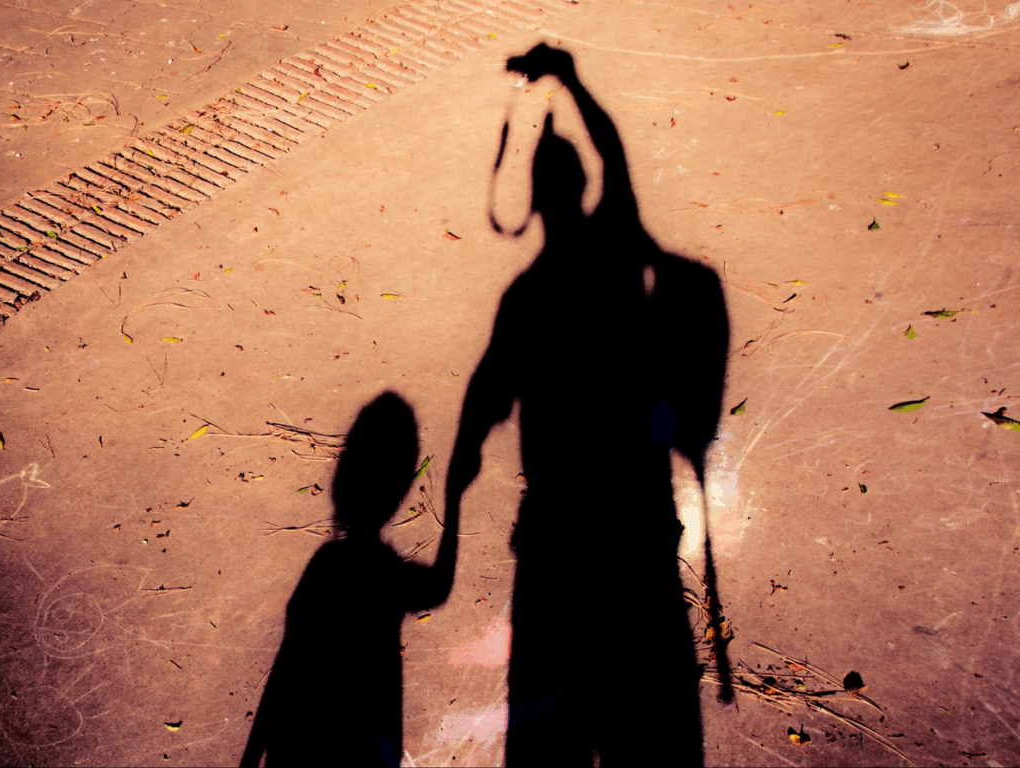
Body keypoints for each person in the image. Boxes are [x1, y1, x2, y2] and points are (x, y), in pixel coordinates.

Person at [444, 44, 730, 765]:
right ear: (584, 188)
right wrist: (568, 78)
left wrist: (452, 503)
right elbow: (614, 147)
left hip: (558, 537)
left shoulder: (525, 301)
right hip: (634, 520)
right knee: (652, 732)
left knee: (549, 744)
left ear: (536, 201)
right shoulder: (616, 245)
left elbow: (479, 412)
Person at [241, 392, 459, 767]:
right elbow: (439, 588)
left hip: (299, 745)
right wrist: (454, 501)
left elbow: (286, 666)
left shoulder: (326, 565)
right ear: (401, 490)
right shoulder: (389, 576)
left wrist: (250, 757)